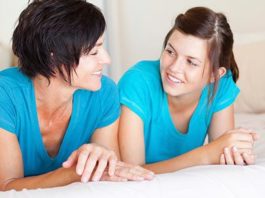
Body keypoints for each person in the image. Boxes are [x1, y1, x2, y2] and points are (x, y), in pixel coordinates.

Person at [0, 0, 154, 191]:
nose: (106, 59)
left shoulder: (104, 93)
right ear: (53, 58)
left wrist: (102, 155)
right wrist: (74, 173)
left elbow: (111, 172)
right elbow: (6, 187)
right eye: (94, 51)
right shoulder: (5, 95)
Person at [118, 7, 259, 174]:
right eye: (170, 52)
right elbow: (131, 172)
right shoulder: (137, 83)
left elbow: (222, 158)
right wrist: (206, 155)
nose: (174, 68)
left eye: (191, 62)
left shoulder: (221, 85)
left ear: (215, 75)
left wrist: (236, 151)